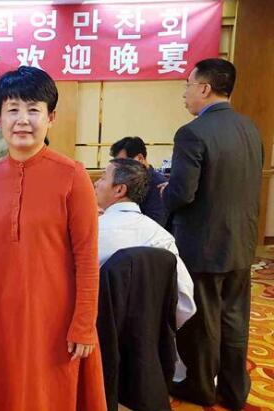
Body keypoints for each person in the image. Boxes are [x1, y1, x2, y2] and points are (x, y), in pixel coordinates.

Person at [0, 66, 105, 411]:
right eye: (13, 109)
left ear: (50, 117)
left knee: (49, 395)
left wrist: (84, 324)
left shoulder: (73, 176)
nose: (22, 120)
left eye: (33, 110)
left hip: (54, 316)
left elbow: (87, 257)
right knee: (4, 392)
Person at [162, 58, 263, 410]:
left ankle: (201, 387)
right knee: (234, 318)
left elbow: (182, 194)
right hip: (241, 243)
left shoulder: (192, 133)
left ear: (204, 88)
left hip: (203, 245)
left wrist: (166, 192)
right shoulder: (251, 128)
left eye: (187, 86)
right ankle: (235, 390)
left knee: (203, 321)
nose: (185, 94)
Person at [95, 158, 196, 328]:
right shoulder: (161, 236)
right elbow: (186, 303)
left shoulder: (92, 233)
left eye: (103, 178)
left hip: (97, 332)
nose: (96, 183)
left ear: (119, 189)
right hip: (151, 336)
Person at [109, 136, 168, 226]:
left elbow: (155, 223)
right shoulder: (125, 180)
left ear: (140, 158)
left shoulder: (158, 184)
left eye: (124, 163)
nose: (120, 168)